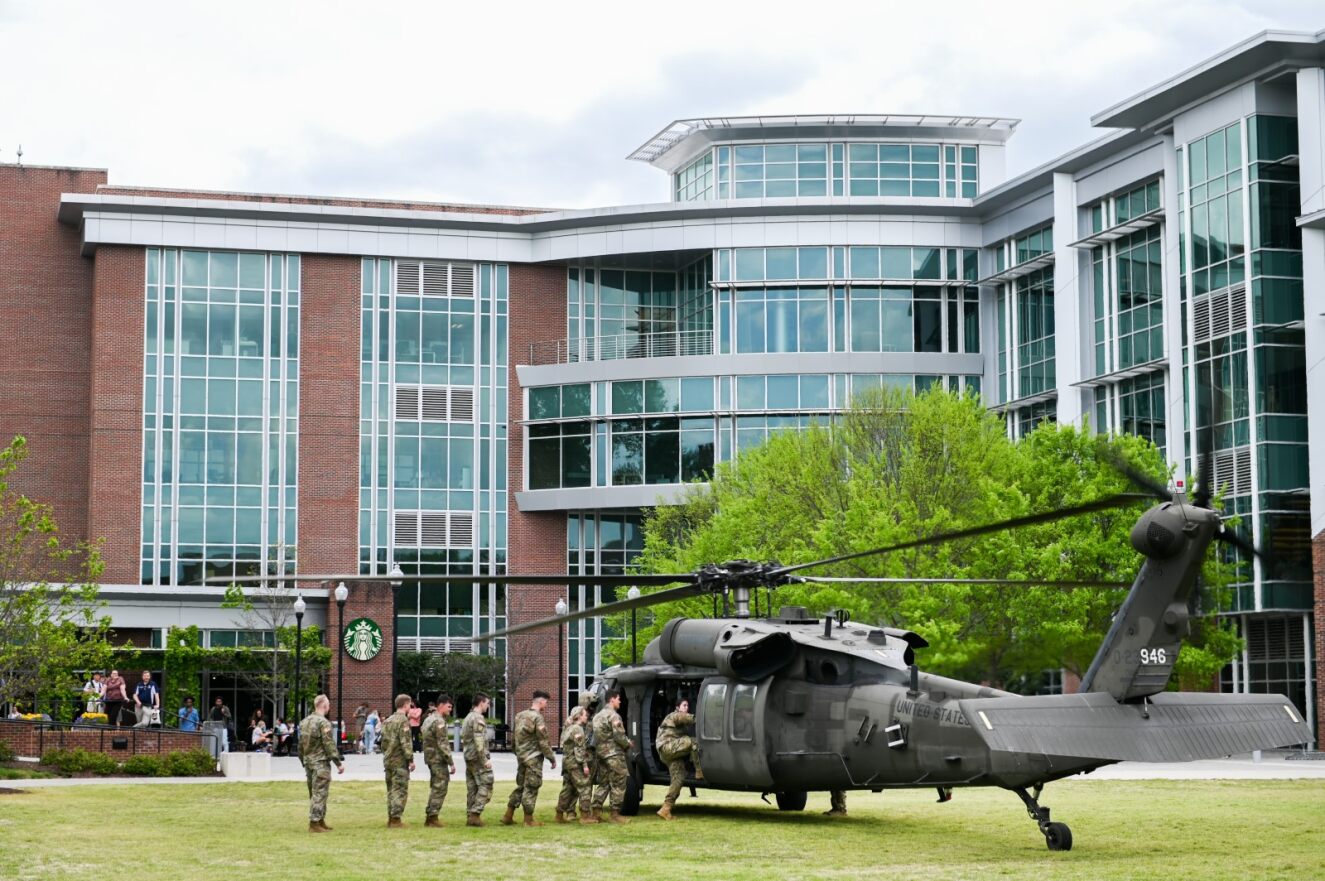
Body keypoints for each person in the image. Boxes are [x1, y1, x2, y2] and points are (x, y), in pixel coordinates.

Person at [502, 690, 556, 827]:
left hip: (521, 757)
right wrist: (551, 758)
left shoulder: (519, 715)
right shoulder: (537, 718)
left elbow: (513, 737)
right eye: (546, 702)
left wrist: (518, 753)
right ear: (541, 701)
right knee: (532, 787)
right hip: (533, 758)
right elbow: (543, 741)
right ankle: (528, 820)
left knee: (521, 786)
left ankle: (508, 815)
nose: (546, 705)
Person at [299, 694, 345, 832]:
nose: (329, 707)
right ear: (324, 706)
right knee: (320, 793)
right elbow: (329, 744)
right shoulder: (323, 723)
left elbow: (300, 745)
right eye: (328, 705)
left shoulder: (304, 722)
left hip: (309, 763)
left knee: (315, 793)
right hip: (320, 763)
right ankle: (314, 823)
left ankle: (320, 821)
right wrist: (338, 763)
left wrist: (303, 760)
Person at [655, 698, 702, 821]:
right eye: (684, 705)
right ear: (677, 708)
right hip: (667, 747)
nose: (686, 708)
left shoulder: (680, 723)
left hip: (669, 753)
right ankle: (699, 771)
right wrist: (701, 718)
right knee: (693, 741)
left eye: (687, 705)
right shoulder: (675, 716)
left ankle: (665, 809)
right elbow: (685, 718)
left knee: (679, 778)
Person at [591, 689, 633, 824]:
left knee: (603, 783)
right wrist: (627, 744)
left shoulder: (597, 716)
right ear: (612, 699)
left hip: (601, 754)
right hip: (613, 753)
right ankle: (615, 814)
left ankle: (596, 812)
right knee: (619, 782)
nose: (620, 701)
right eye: (618, 698)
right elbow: (619, 735)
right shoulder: (614, 716)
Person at [420, 694, 456, 828]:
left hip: (430, 758)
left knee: (435, 786)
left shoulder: (428, 719)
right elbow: (443, 743)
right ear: (441, 705)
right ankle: (432, 817)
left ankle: (430, 815)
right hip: (438, 759)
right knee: (440, 787)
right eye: (449, 706)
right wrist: (451, 762)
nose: (450, 710)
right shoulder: (439, 721)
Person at [556, 705, 596, 825]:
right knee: (585, 787)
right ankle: (585, 816)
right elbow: (580, 749)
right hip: (575, 763)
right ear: (579, 716)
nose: (586, 716)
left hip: (567, 762)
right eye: (584, 715)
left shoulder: (568, 728)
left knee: (568, 789)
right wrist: (584, 765)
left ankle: (559, 814)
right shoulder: (578, 729)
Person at [380, 694, 415, 828]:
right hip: (399, 761)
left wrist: (387, 754)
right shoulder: (403, 721)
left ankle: (391, 817)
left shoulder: (387, 721)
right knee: (399, 790)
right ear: (405, 705)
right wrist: (410, 760)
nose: (410, 707)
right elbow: (405, 743)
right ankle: (396, 819)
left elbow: (383, 743)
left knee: (391, 790)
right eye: (409, 705)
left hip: (388, 760)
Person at [461, 693, 494, 827]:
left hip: (469, 757)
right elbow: (479, 740)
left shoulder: (468, 717)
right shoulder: (477, 718)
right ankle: (475, 814)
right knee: (486, 783)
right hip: (477, 758)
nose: (488, 706)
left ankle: (470, 816)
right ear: (481, 703)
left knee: (473, 787)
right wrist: (485, 759)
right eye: (487, 703)